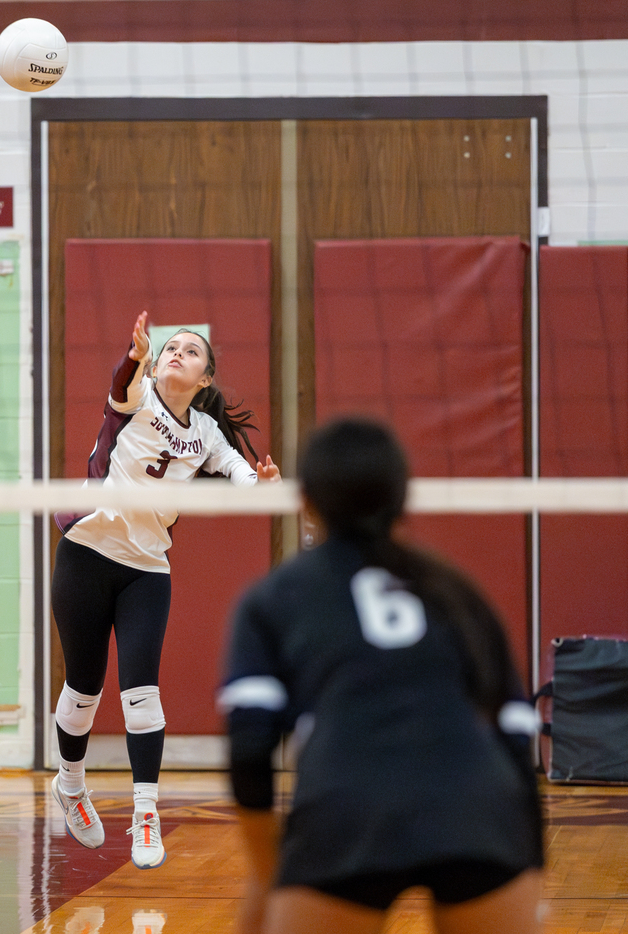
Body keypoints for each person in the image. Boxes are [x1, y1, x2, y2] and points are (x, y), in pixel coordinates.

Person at [222, 417, 544, 934]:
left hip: (345, 805)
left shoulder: (276, 597)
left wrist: (272, 874)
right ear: (404, 498)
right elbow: (517, 733)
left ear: (304, 500)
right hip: (476, 805)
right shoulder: (458, 591)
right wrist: (529, 865)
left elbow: (248, 747)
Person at [50, 311, 281, 869]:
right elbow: (121, 382)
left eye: (191, 351)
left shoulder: (204, 434)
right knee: (84, 688)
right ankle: (71, 784)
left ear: (205, 379)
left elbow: (236, 469)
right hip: (85, 552)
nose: (177, 353)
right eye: (170, 347)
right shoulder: (136, 398)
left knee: (142, 691)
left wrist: (261, 484)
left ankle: (145, 815)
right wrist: (134, 355)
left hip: (146, 570)